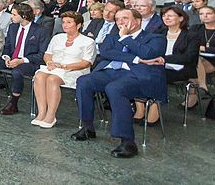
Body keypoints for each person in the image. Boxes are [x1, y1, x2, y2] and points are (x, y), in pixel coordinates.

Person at [71, 8, 167, 158]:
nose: (120, 22)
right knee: (84, 81)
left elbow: (148, 53)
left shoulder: (155, 38)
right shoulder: (111, 37)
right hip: (111, 72)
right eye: (118, 19)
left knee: (115, 89)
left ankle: (127, 141)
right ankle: (87, 127)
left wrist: (125, 39)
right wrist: (136, 59)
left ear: (138, 21)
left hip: (136, 76)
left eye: (124, 18)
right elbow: (106, 52)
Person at [0, 3, 50, 115]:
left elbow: (42, 54)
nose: (11, 17)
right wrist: (6, 58)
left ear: (24, 16)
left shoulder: (41, 31)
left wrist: (21, 60)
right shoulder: (13, 27)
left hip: (30, 62)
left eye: (14, 14)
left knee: (17, 72)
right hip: (12, 59)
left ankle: (13, 103)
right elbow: (7, 47)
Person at [131, 6, 199, 121]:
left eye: (170, 16)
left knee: (154, 75)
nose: (166, 18)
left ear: (181, 18)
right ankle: (140, 107)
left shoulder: (191, 35)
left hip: (181, 69)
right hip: (157, 64)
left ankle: (154, 109)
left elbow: (188, 57)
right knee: (135, 72)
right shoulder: (159, 32)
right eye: (164, 16)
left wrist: (163, 59)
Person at [32, 12, 96, 128]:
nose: (65, 25)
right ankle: (42, 112)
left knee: (52, 79)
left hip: (75, 70)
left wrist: (65, 67)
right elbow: (47, 54)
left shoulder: (88, 41)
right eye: (64, 22)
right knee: (39, 76)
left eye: (69, 22)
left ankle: (51, 115)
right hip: (54, 67)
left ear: (78, 25)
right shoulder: (57, 37)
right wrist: (49, 62)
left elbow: (86, 63)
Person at [195, 6, 215, 93]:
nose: (204, 16)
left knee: (194, 64)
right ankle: (195, 94)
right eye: (201, 14)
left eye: (208, 13)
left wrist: (205, 49)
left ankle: (200, 88)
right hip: (198, 56)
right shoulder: (196, 28)